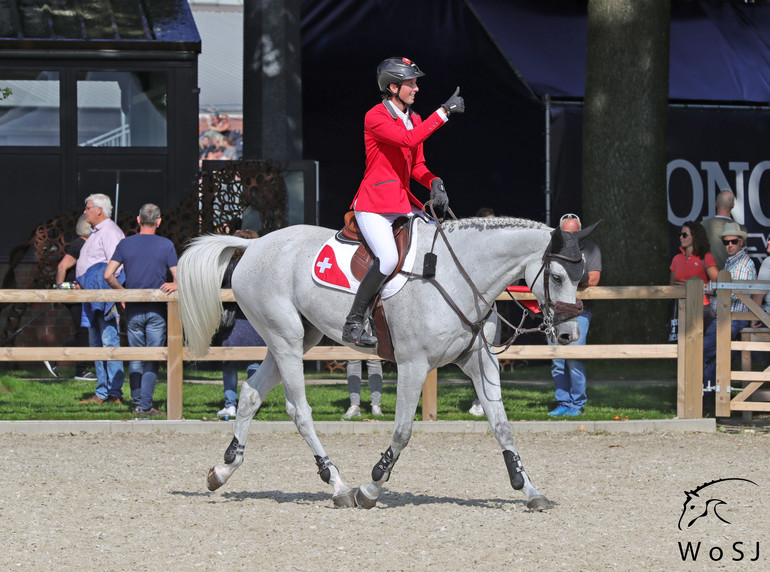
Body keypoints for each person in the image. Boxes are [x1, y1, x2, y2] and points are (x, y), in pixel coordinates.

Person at [343, 56, 465, 347]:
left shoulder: (416, 119)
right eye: (411, 83)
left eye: (415, 83)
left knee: (436, 240)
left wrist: (435, 181)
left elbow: (417, 166)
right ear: (393, 87)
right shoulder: (375, 116)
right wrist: (444, 112)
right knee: (387, 259)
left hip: (401, 202)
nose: (416, 89)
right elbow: (408, 141)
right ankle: (354, 322)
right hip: (373, 205)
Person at [104, 204, 178, 416]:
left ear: (138, 220)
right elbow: (178, 276)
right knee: (152, 357)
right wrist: (174, 285)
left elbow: (108, 275)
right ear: (159, 221)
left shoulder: (125, 244)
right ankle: (145, 405)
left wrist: (123, 293)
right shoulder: (166, 245)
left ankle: (137, 403)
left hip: (133, 309)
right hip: (157, 310)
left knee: (136, 356)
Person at [548, 213, 601, 417]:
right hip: (554, 312)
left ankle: (577, 403)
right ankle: (563, 401)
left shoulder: (590, 249)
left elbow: (594, 280)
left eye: (574, 232)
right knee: (557, 360)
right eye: (566, 232)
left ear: (580, 232)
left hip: (579, 312)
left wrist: (565, 277)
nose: (570, 236)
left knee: (575, 359)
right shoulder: (552, 249)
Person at [76, 193, 125, 405]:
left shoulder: (111, 232)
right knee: (96, 343)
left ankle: (114, 392)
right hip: (92, 297)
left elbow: (117, 267)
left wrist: (110, 294)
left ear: (99, 210)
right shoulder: (96, 232)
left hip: (104, 298)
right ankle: (101, 391)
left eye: (88, 208)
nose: (85, 212)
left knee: (108, 342)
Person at [702, 221, 757, 413]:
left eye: (734, 241)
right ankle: (709, 402)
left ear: (741, 242)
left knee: (699, 352)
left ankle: (702, 399)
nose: (730, 245)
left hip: (731, 318)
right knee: (715, 358)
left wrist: (712, 289)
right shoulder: (732, 262)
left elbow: (732, 293)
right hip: (727, 317)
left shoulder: (742, 263)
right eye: (726, 242)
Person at [218, 229, 265, 418]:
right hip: (254, 321)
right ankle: (251, 402)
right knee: (254, 362)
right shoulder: (260, 267)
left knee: (229, 363)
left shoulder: (227, 266)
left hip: (233, 322)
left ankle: (230, 404)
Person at [44, 214, 95, 381]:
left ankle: (56, 357)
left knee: (84, 331)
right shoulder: (80, 244)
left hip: (80, 294)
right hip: (73, 294)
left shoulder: (86, 245)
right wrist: (59, 291)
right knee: (84, 331)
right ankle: (80, 370)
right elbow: (62, 266)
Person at [669, 220, 719, 331]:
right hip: (680, 308)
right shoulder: (676, 259)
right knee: (680, 345)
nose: (681, 237)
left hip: (701, 308)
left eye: (685, 235)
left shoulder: (706, 257)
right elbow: (671, 287)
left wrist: (696, 286)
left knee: (701, 345)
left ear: (695, 236)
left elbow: (719, 285)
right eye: (680, 235)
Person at [701, 190, 745, 270]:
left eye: (733, 241)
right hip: (733, 279)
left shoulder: (702, 226)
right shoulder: (741, 229)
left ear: (716, 203)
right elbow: (743, 258)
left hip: (707, 280)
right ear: (733, 205)